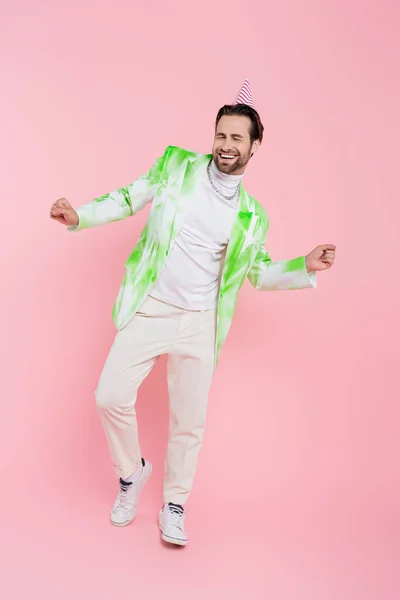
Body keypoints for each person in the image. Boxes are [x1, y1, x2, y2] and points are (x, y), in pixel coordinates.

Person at [50, 80, 336, 546]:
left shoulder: (252, 216)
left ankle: (175, 504)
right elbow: (129, 196)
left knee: (189, 420)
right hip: (152, 308)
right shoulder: (176, 165)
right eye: (221, 135)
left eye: (237, 138)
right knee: (109, 395)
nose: (226, 145)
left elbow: (258, 273)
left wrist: (303, 266)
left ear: (254, 146)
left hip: (200, 321)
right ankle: (130, 475)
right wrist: (78, 215)